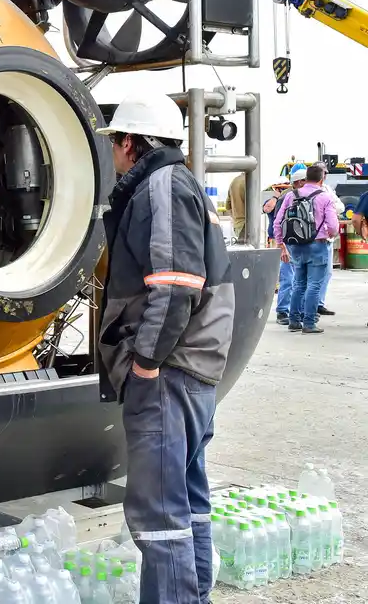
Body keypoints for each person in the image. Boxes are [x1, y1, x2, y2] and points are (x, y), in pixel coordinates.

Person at [96, 91, 235, 604]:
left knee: (158, 514)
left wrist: (146, 364)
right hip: (194, 367)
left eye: (115, 143)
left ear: (130, 142)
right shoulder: (187, 185)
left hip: (170, 370)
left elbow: (175, 284)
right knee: (187, 498)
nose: (113, 153)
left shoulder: (160, 187)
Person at [273, 164, 339, 334]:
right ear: (322, 178)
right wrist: (330, 235)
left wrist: (281, 245)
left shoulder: (290, 196)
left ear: (306, 177)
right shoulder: (325, 197)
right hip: (318, 245)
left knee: (298, 283)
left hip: (295, 245)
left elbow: (278, 222)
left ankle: (294, 321)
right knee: (314, 285)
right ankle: (309, 323)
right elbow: (333, 225)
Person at [263, 175, 299, 325]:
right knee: (286, 276)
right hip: (277, 240)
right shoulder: (276, 200)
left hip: (287, 241)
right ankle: (283, 309)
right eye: (280, 187)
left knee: (291, 276)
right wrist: (275, 196)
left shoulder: (293, 198)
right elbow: (267, 209)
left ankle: (291, 309)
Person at [312, 161, 344, 316]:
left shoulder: (327, 189)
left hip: (326, 238)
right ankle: (310, 308)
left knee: (326, 273)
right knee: (312, 275)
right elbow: (335, 208)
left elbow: (341, 206)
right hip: (319, 237)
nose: (324, 175)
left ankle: (318, 304)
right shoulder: (318, 192)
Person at [225, 172, 247, 243]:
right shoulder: (249, 182)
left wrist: (235, 216)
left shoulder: (234, 182)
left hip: (237, 225)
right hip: (246, 227)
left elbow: (227, 206)